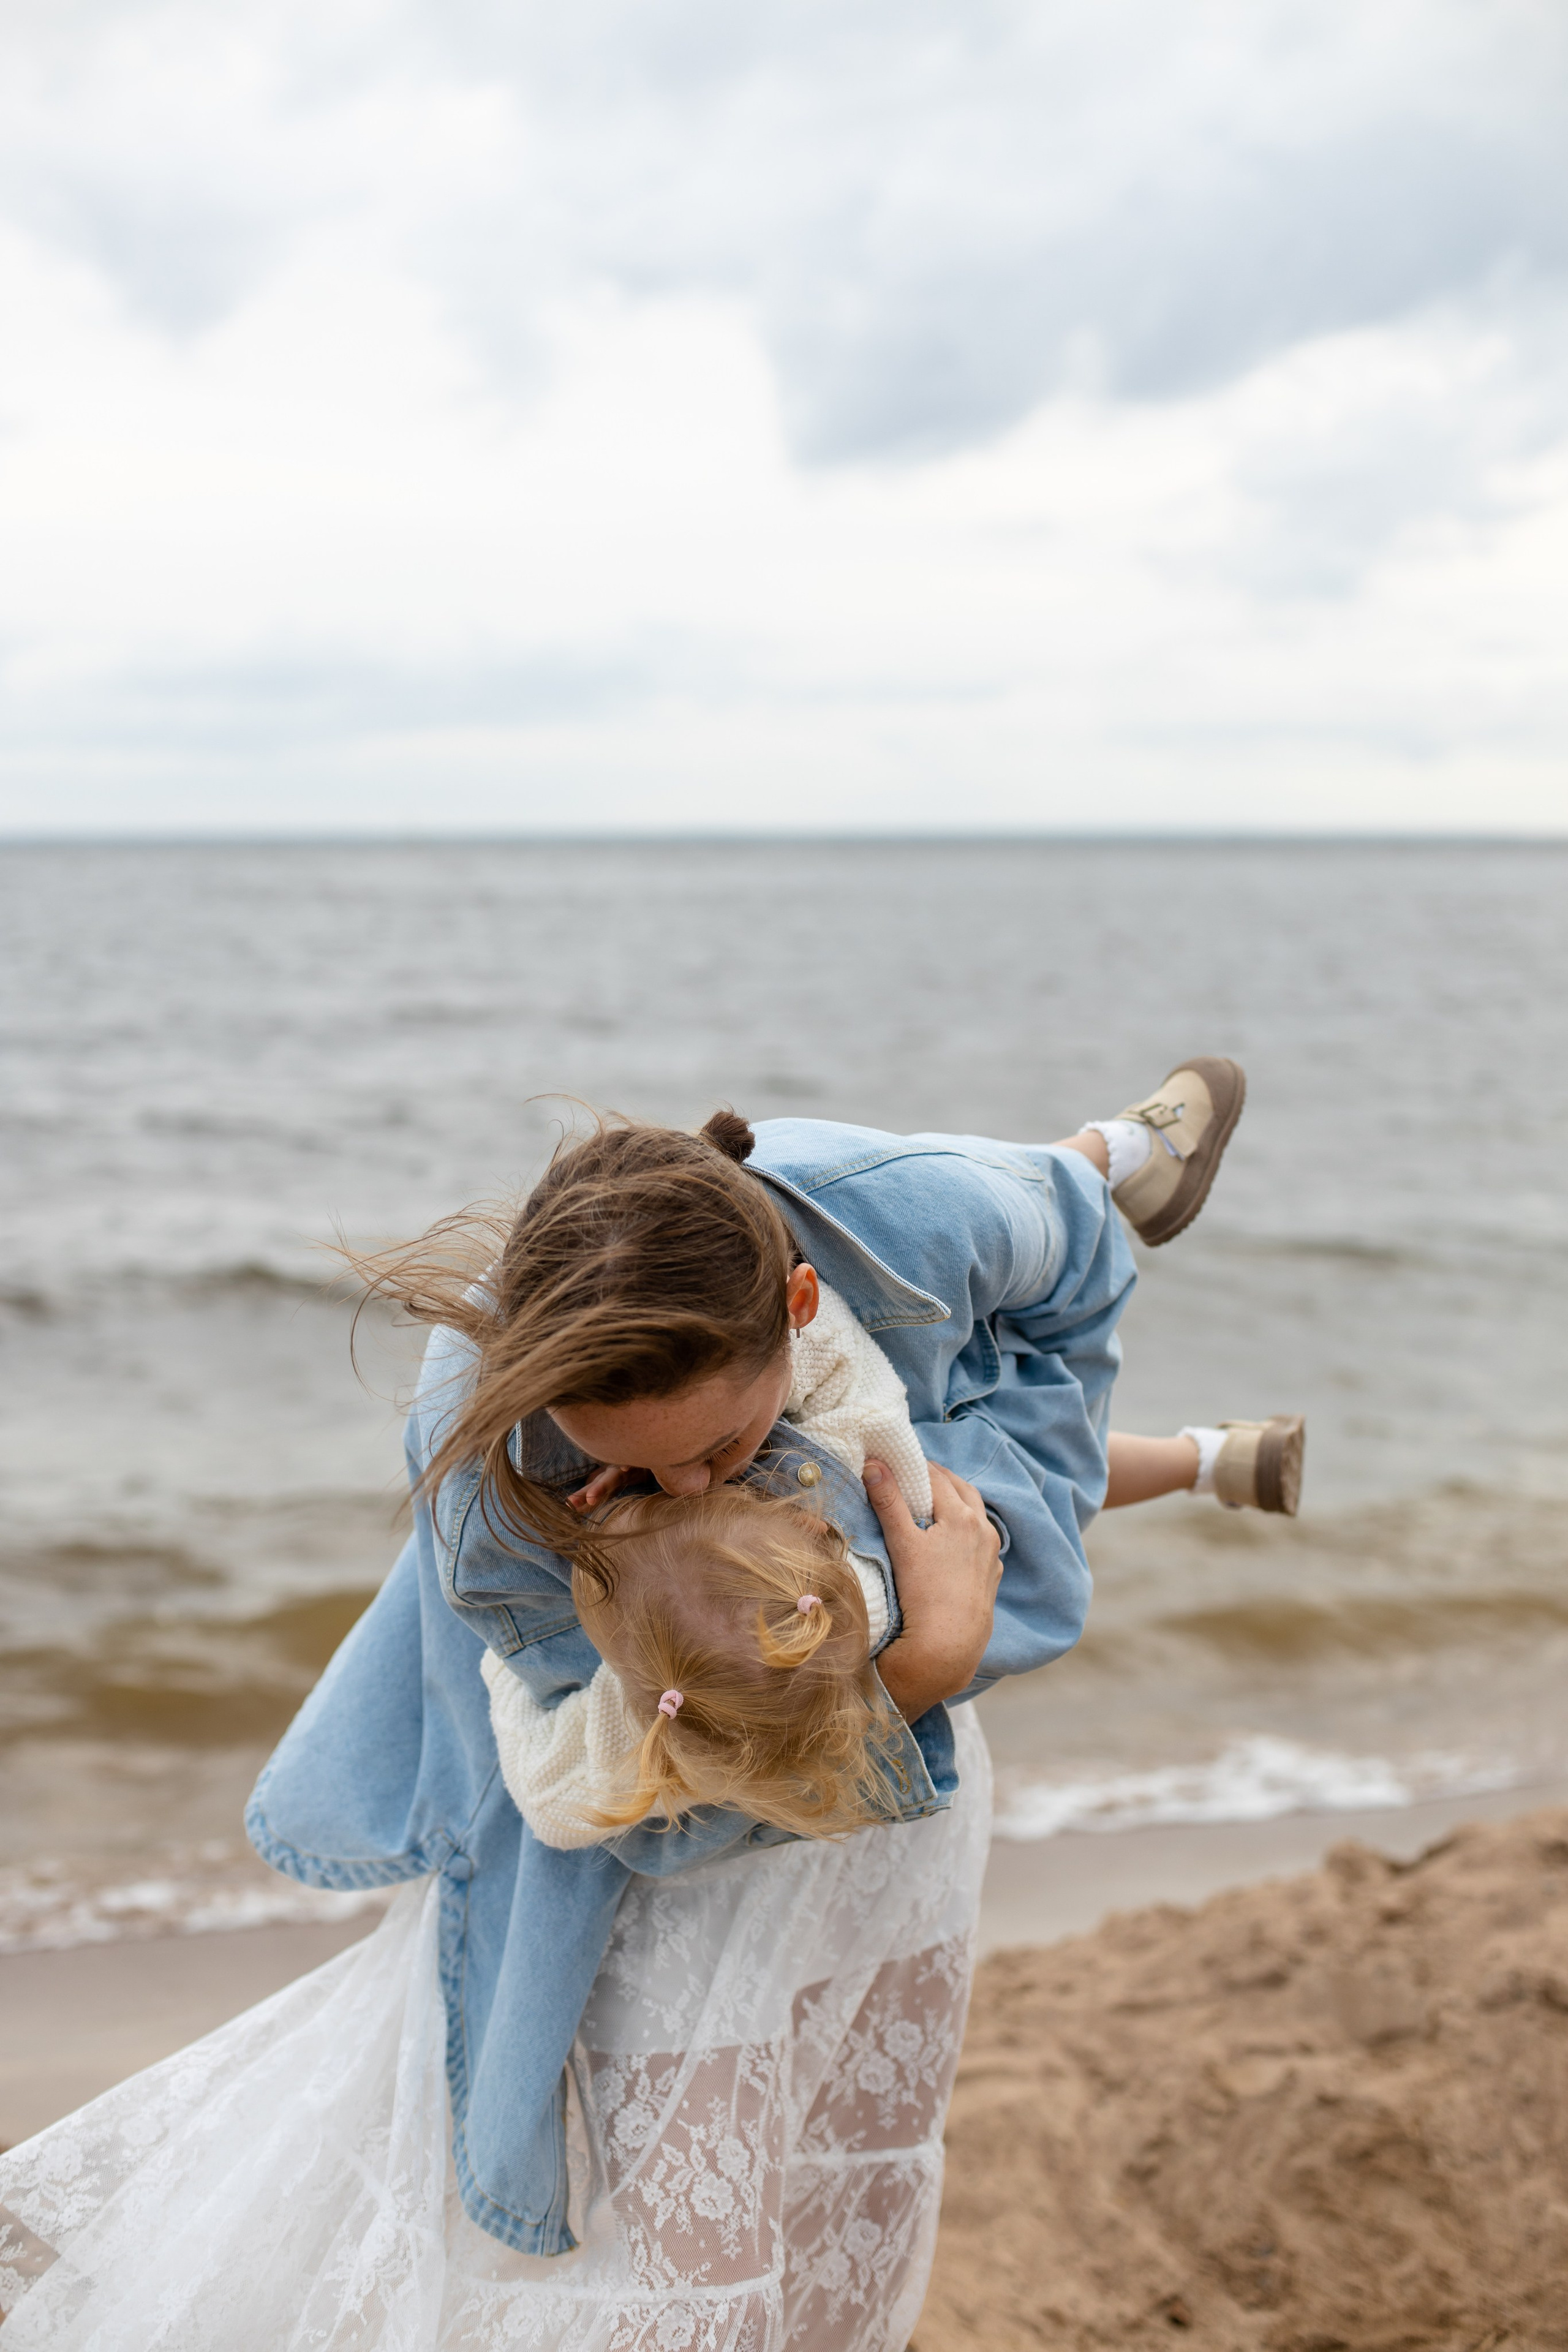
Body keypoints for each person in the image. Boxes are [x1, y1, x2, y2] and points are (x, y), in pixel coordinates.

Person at [0, 1057, 1258, 2350]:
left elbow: (1074, 1295)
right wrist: (914, 1668)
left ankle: (1115, 1151)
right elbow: (640, 1805)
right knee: (671, 2256)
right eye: (633, 1464)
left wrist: (979, 1494)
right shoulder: (491, 1499)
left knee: (848, 2180)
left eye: (716, 1446)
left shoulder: (904, 1213)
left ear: (800, 1307)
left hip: (882, 1784)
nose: (689, 1486)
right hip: (666, 1825)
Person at [480, 1270, 1305, 1854]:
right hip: (979, 1538)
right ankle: (1202, 1460)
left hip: (968, 1607)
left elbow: (551, 1806)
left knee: (1057, 1479)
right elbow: (840, 1365)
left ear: (628, 1677)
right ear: (805, 1525)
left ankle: (1208, 1462)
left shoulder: (641, 1731)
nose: (678, 1479)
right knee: (1050, 1472)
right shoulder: (860, 1508)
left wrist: (500, 1667)